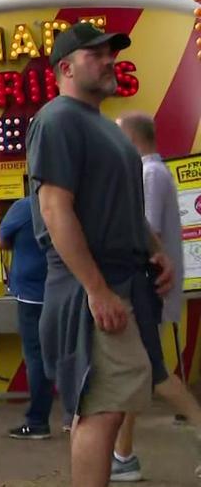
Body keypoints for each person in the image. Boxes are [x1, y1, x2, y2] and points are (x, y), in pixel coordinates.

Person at [27, 23, 172, 487]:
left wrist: (156, 250)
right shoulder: (57, 119)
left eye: (110, 52)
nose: (109, 59)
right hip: (92, 285)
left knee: (114, 403)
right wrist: (96, 290)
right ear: (64, 68)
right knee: (100, 409)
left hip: (124, 280)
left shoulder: (105, 128)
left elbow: (122, 206)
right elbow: (54, 208)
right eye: (96, 54)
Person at [109, 112, 201, 481]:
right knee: (140, 373)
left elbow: (143, 234)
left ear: (131, 141)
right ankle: (123, 454)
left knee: (155, 373)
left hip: (147, 290)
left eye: (117, 137)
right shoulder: (154, 173)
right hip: (151, 288)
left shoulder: (148, 175)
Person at [0, 197, 55, 440]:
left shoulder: (24, 207)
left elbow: (1, 242)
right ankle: (76, 416)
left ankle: (38, 422)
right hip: (64, 291)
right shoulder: (71, 202)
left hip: (31, 296)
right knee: (69, 353)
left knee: (36, 357)